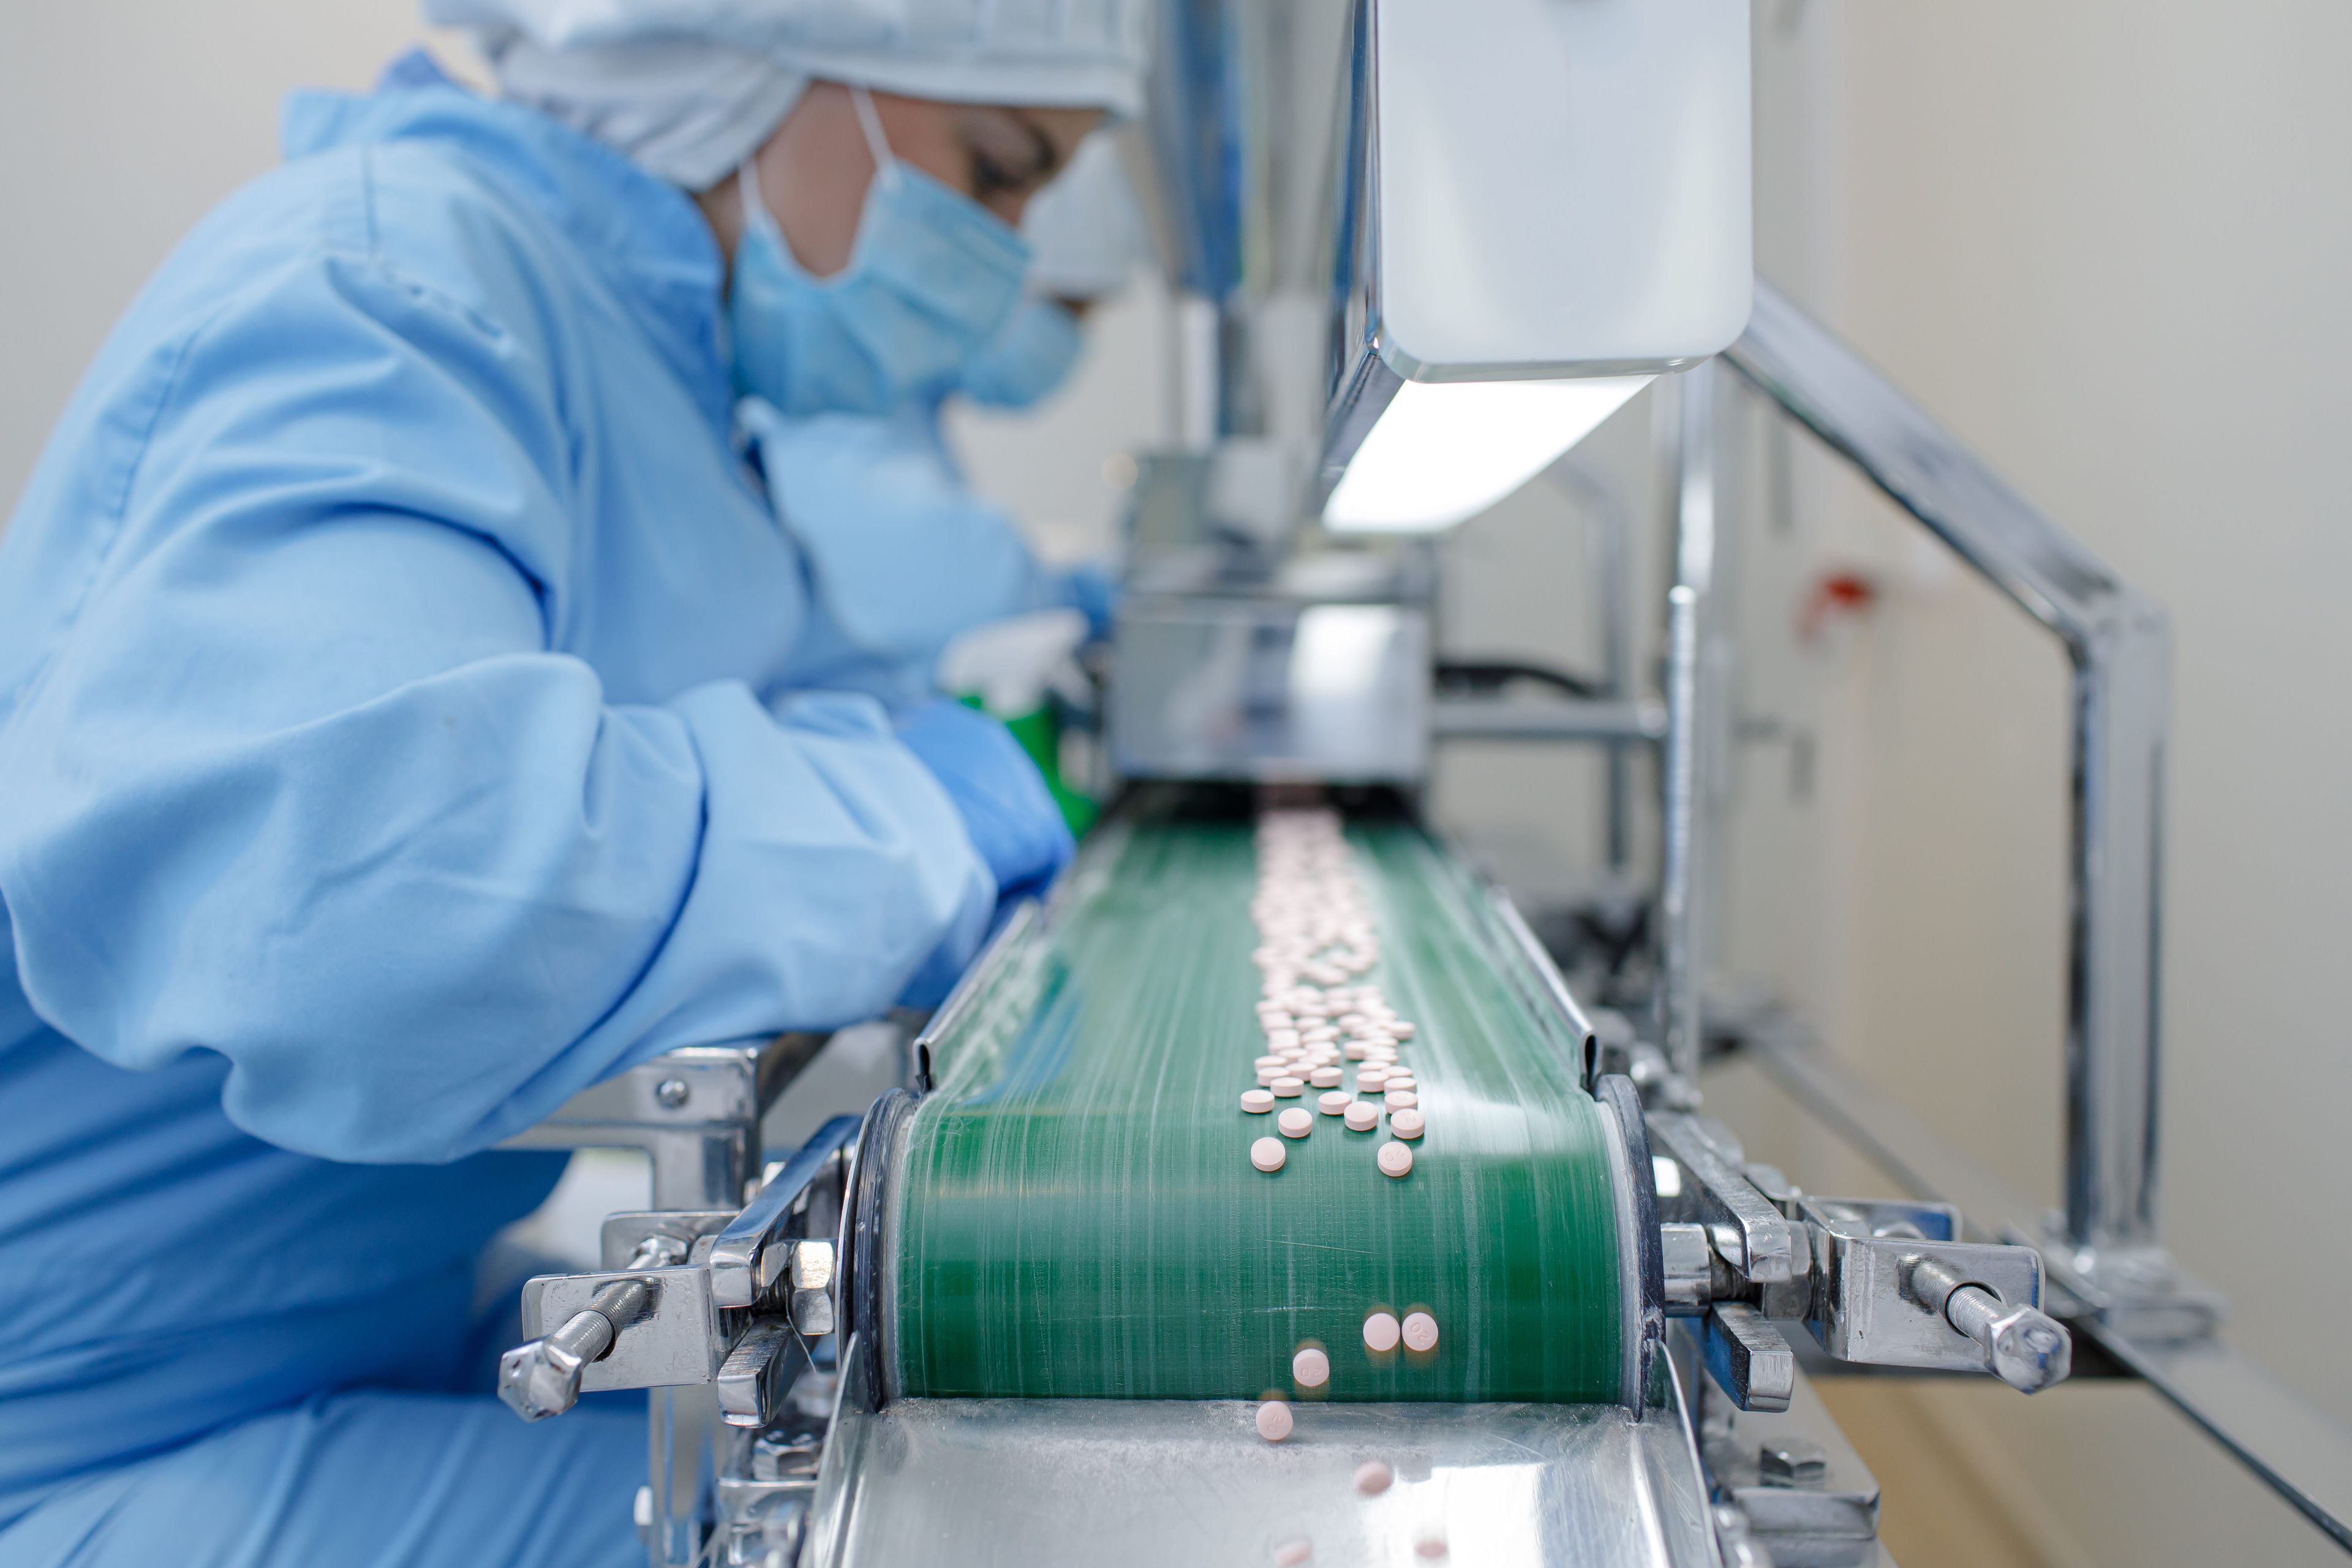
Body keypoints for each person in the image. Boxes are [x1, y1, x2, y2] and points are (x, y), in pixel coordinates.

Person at [0, 2, 1146, 1562]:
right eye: (998, 170)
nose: (1007, 255)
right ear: (754, 54)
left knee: (955, 1456)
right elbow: (381, 900)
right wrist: (922, 817)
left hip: (364, 1319)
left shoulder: (658, 370)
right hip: (92, 1429)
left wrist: (936, 784)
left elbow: (807, 708)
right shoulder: (380, 288)